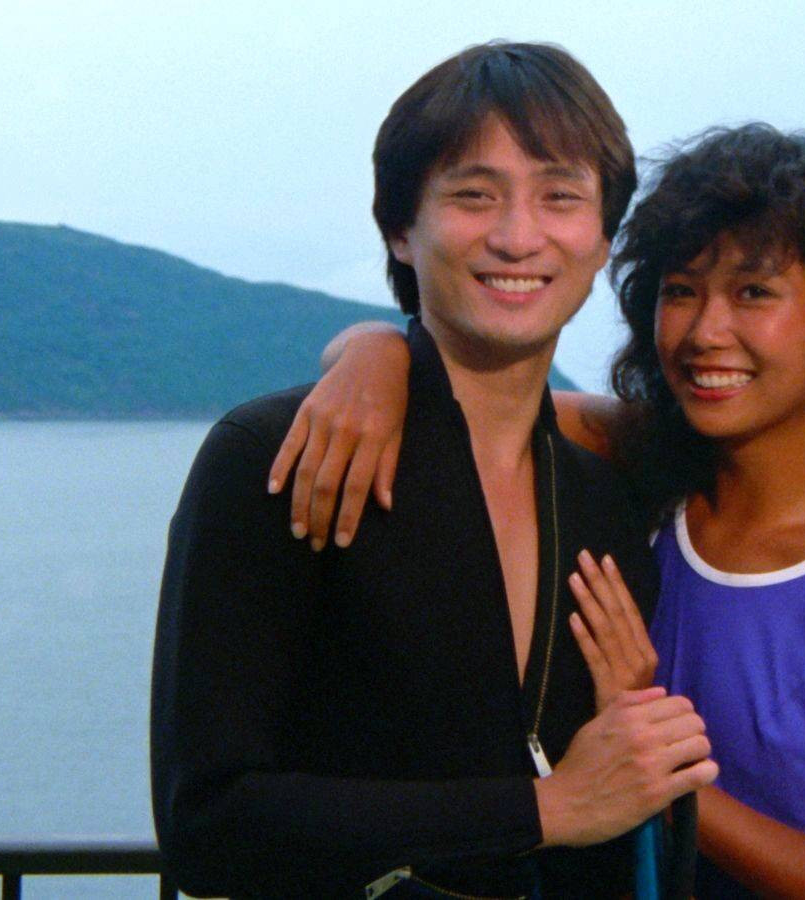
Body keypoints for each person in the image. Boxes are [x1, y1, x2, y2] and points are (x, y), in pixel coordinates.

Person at [270, 124, 805, 898]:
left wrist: (655, 764)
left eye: (753, 293)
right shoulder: (640, 468)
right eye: (681, 291)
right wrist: (374, 351)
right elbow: (461, 398)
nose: (705, 332)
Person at [151, 41, 717, 899]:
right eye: (473, 195)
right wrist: (543, 808)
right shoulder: (279, 456)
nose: (517, 236)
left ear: (603, 238)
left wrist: (627, 729)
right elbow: (207, 827)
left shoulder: (603, 498)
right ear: (399, 229)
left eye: (560, 196)